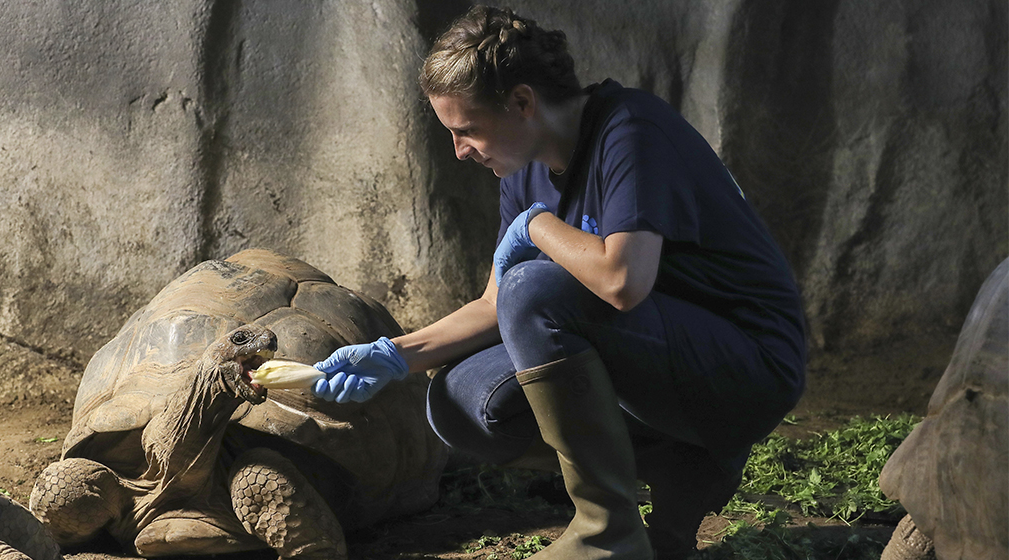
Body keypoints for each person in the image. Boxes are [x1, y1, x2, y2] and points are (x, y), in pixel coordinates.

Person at [310, 6, 807, 560]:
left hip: (748, 367)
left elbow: (623, 281)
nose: (459, 150)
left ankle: (605, 530)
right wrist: (394, 355)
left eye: (467, 129)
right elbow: (495, 303)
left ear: (522, 102)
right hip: (658, 358)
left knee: (534, 289)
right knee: (458, 399)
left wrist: (538, 227)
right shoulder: (521, 166)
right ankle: (684, 465)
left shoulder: (631, 129)